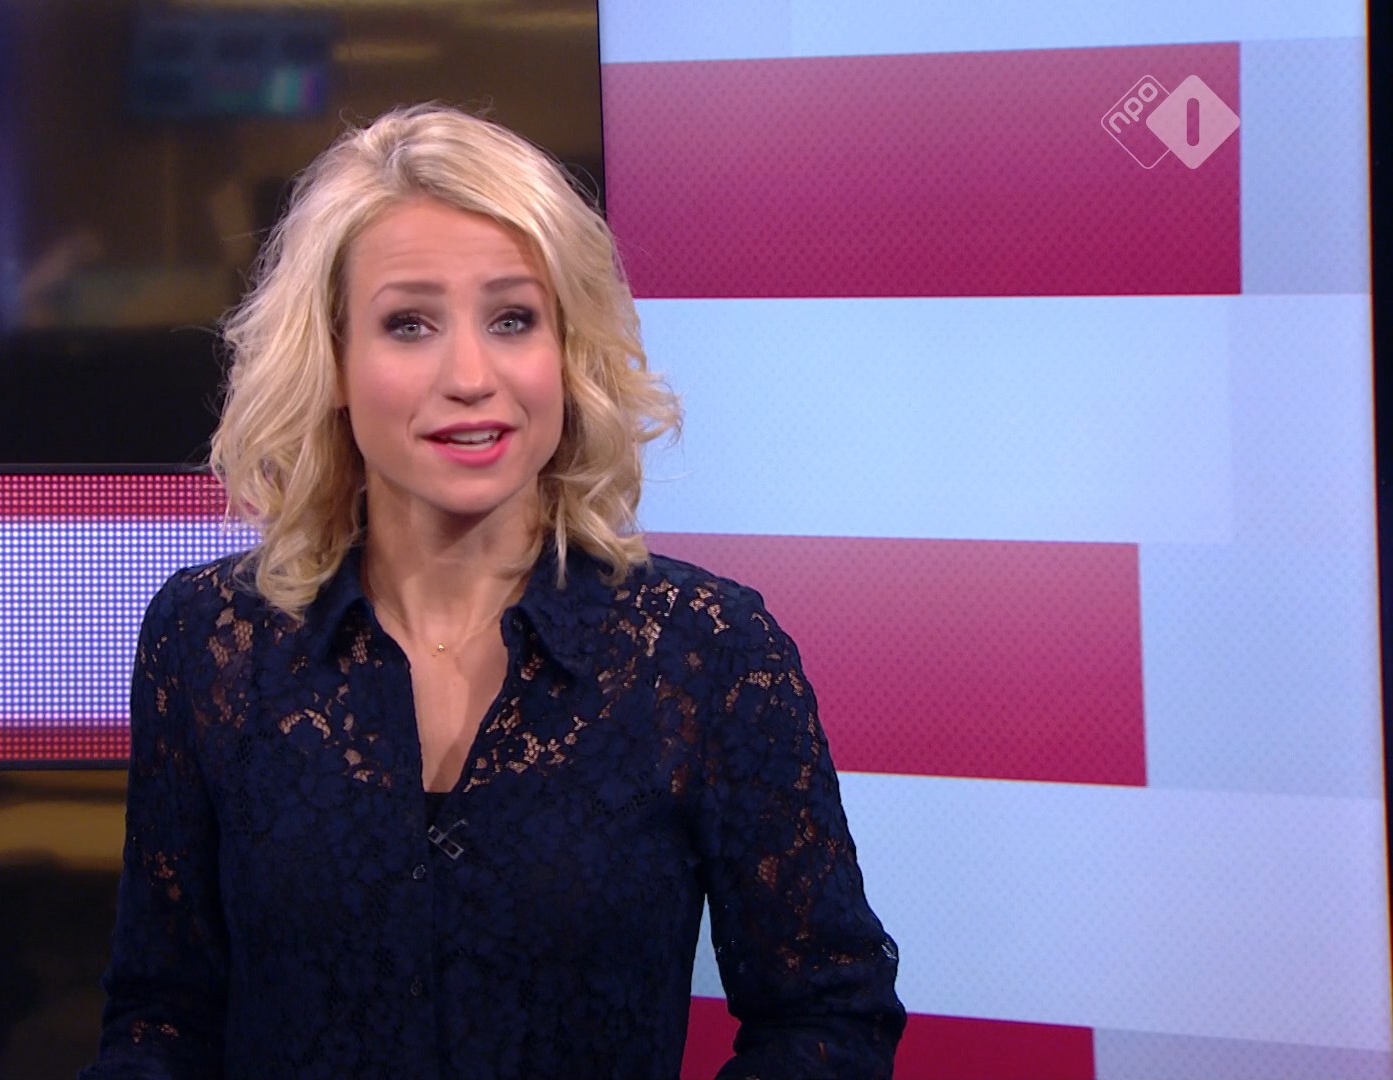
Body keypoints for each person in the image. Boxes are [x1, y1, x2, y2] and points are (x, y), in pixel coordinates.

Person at [80, 103, 904, 1080]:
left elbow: (828, 1015)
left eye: (513, 319)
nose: (470, 376)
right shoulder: (210, 642)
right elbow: (162, 1018)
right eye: (409, 324)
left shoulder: (708, 654)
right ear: (333, 361)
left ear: (568, 351)